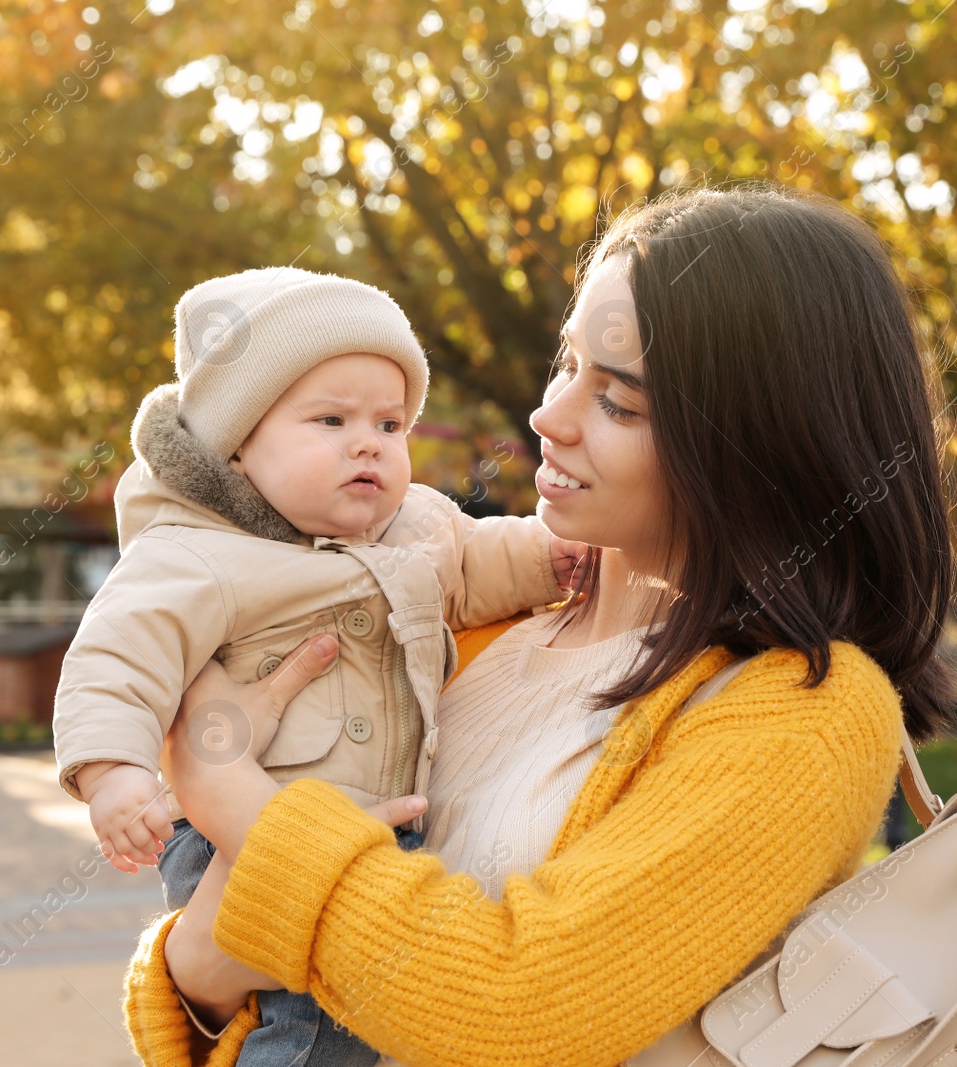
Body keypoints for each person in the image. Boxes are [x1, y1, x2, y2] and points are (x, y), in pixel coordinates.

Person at [126, 183, 957, 1067]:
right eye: (568, 365)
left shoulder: (805, 712)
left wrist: (237, 804)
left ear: (761, 443)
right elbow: (240, 981)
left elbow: (517, 1008)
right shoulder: (464, 620)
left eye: (621, 403)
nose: (547, 417)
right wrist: (196, 969)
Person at [53, 267, 586, 1067]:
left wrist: (556, 559)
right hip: (239, 841)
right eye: (330, 419)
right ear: (237, 446)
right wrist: (113, 773)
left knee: (362, 1018)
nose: (367, 442)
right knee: (313, 1029)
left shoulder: (415, 526)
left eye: (391, 422)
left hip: (366, 841)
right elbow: (115, 657)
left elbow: (477, 564)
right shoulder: (193, 553)